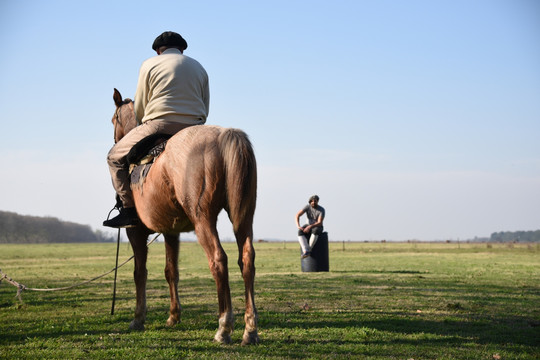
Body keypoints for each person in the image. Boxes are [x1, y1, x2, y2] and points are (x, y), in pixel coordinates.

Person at [103, 31, 210, 228]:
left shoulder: (149, 64)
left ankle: (129, 211)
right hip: (195, 127)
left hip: (160, 123)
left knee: (114, 158)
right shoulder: (199, 67)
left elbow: (141, 104)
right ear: (182, 49)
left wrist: (144, 122)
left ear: (158, 51)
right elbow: (205, 104)